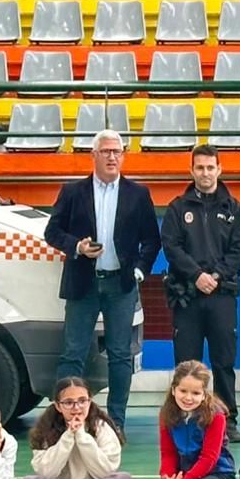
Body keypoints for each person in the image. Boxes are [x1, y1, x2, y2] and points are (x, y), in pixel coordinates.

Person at [45, 129, 162, 431]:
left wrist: (139, 269)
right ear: (93, 155)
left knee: (120, 356)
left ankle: (115, 423)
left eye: (117, 151)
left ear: (123, 156)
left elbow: (152, 240)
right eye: (106, 151)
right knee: (73, 353)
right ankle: (64, 421)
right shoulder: (73, 192)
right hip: (83, 284)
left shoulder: (139, 194)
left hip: (121, 286)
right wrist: (77, 247)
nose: (112, 156)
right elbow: (52, 232)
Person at [161, 143, 240, 442]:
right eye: (200, 167)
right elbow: (172, 248)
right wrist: (197, 276)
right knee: (187, 363)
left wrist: (216, 275)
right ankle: (185, 420)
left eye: (210, 167)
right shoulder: (177, 208)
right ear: (192, 170)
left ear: (219, 169)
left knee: (224, 360)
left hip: (222, 295)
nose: (205, 173)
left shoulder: (234, 208)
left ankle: (227, 419)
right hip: (187, 296)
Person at [21, 377, 134, 479]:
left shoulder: (101, 427)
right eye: (68, 403)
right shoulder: (45, 429)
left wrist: (81, 436)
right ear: (58, 406)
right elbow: (47, 473)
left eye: (82, 401)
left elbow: (104, 473)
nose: (76, 407)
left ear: (90, 401)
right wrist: (68, 437)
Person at [141, 360, 236, 479]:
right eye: (183, 391)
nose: (188, 398)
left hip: (218, 474)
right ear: (173, 390)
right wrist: (168, 476)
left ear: (205, 394)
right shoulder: (166, 414)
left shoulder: (216, 416)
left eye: (196, 393)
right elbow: (168, 452)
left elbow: (209, 458)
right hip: (185, 474)